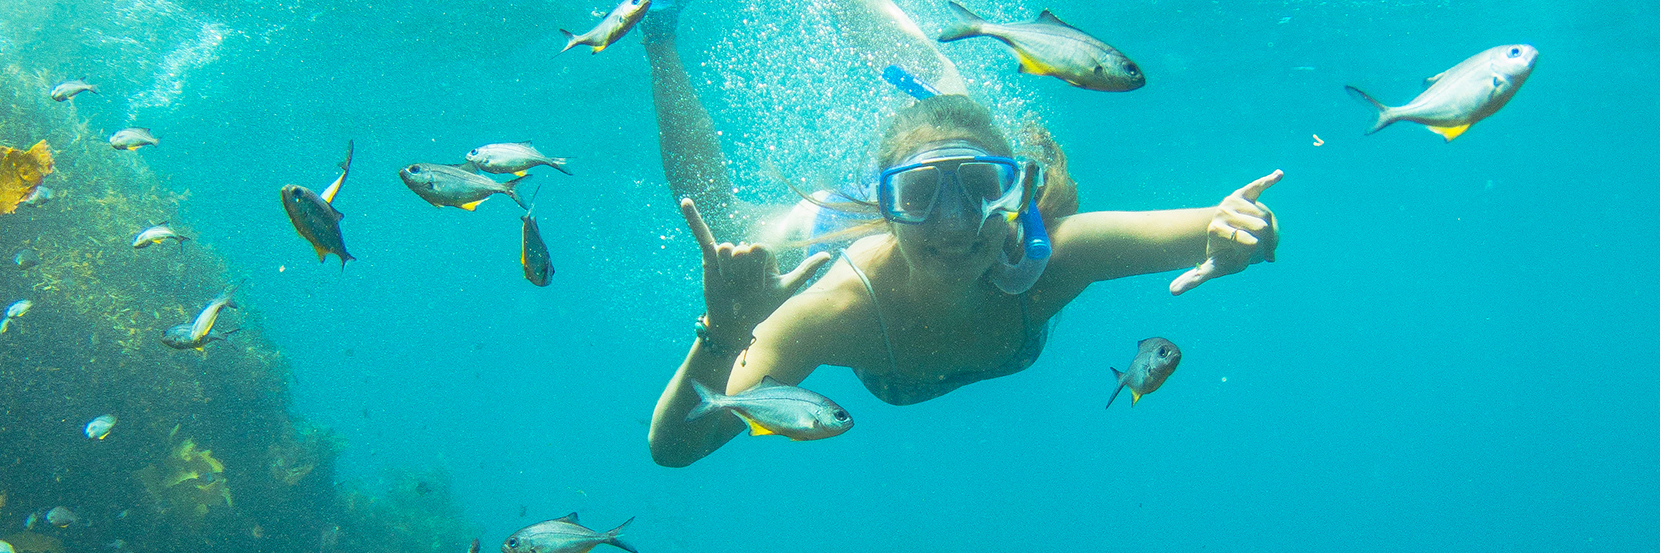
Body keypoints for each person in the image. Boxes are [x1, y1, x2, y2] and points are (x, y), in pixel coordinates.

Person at [639, 1, 1282, 468]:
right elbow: (674, 449)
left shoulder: (1053, 255)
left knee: (949, 109)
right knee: (724, 216)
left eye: (981, 189)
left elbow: (1222, 224)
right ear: (886, 206)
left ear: (1014, 196)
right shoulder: (833, 310)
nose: (953, 222)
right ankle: (658, 33)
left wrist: (1249, 232)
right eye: (920, 196)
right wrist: (722, 336)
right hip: (836, 227)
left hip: (923, 189)